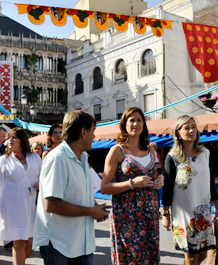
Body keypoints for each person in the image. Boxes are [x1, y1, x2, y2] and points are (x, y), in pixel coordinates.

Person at [33, 110, 110, 265]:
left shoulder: (82, 158)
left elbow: (78, 193)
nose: (94, 137)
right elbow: (51, 204)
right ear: (83, 132)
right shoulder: (57, 159)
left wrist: (94, 207)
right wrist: (90, 211)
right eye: (93, 131)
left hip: (82, 244)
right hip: (59, 244)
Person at [100, 107, 163, 265]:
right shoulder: (117, 151)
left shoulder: (150, 150)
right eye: (132, 120)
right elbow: (105, 187)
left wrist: (159, 181)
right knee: (131, 258)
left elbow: (155, 176)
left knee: (150, 257)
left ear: (144, 124)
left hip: (150, 215)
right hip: (127, 218)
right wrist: (132, 183)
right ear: (124, 125)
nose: (136, 123)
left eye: (139, 120)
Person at [162, 115, 218, 265]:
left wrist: (217, 206)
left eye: (193, 126)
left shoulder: (205, 154)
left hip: (203, 213)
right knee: (192, 256)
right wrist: (165, 213)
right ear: (178, 133)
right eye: (186, 127)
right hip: (184, 214)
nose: (191, 130)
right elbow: (167, 188)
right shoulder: (172, 157)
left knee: (203, 255)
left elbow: (211, 183)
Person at [0, 128, 42, 265]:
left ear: (22, 140)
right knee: (18, 243)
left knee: (32, 244)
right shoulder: (4, 160)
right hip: (12, 209)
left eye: (14, 137)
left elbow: (44, 178)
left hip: (30, 208)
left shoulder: (35, 158)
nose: (9, 140)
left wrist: (40, 184)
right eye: (9, 137)